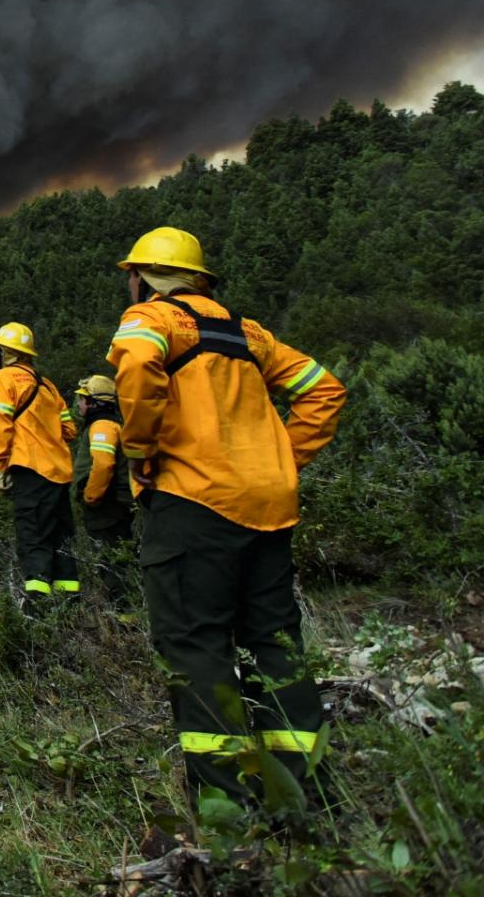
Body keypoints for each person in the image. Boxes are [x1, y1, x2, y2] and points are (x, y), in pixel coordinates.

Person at [106, 226, 347, 809]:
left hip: (192, 503)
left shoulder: (152, 319)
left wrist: (139, 451)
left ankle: (227, 812)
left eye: (131, 276)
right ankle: (305, 798)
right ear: (200, 279)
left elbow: (136, 365)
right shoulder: (250, 333)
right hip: (268, 508)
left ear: (143, 278)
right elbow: (325, 390)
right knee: (276, 643)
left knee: (197, 648)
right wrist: (280, 458)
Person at [0, 322, 80, 601]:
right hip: (58, 473)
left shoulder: (3, 379)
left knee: (33, 537)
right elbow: (69, 429)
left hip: (30, 469)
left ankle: (39, 608)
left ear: (4, 351)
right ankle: (69, 604)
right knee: (61, 539)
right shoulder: (47, 385)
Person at [72, 374, 137, 605]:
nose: (79, 404)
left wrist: (91, 497)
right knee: (118, 559)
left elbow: (103, 464)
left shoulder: (102, 426)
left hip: (107, 507)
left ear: (94, 403)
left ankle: (125, 613)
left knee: (112, 562)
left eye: (82, 399)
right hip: (114, 505)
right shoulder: (111, 424)